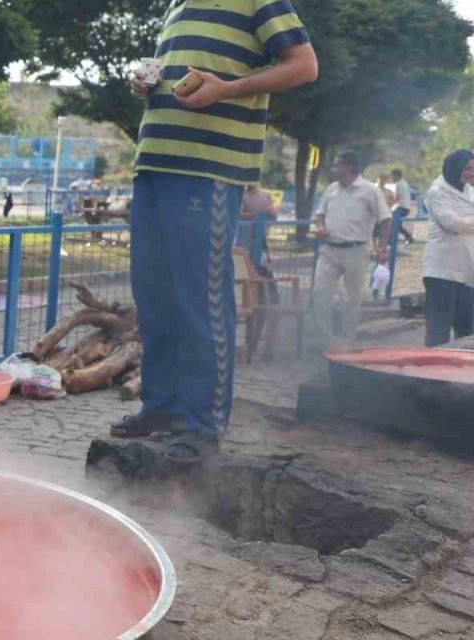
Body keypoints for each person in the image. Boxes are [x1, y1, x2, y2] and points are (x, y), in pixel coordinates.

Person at [117, 0, 317, 464]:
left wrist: (227, 89)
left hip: (207, 171)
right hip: (154, 165)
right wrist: (147, 85)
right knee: (155, 297)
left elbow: (304, 66)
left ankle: (203, 424)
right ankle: (162, 407)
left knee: (201, 301)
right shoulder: (177, 6)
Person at [311, 151, 391, 346]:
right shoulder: (331, 189)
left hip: (356, 250)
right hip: (329, 249)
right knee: (320, 294)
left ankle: (347, 338)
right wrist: (320, 226)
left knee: (351, 298)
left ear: (349, 167)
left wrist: (382, 248)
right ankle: (326, 339)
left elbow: (385, 219)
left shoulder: (370, 191)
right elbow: (320, 213)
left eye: (337, 165)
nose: (334, 169)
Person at [420, 150, 474, 346]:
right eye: (466, 168)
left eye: (472, 169)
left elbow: (462, 224)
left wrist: (465, 223)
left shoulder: (469, 191)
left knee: (467, 331)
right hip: (442, 271)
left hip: (467, 271)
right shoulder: (437, 191)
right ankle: (433, 366)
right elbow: (451, 224)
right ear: (455, 167)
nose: (470, 173)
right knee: (439, 331)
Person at [236, 185, 277, 251]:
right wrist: (258, 213)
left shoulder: (266, 195)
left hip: (261, 236)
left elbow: (273, 215)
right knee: (244, 253)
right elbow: (237, 216)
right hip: (245, 237)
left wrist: (271, 211)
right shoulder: (243, 196)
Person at [392, 168, 415, 245]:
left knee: (394, 225)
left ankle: (408, 237)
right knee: (396, 225)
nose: (392, 178)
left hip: (401, 207)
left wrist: (390, 205)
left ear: (397, 176)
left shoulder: (398, 184)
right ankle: (407, 237)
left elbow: (397, 198)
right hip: (406, 207)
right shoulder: (405, 183)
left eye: (393, 176)